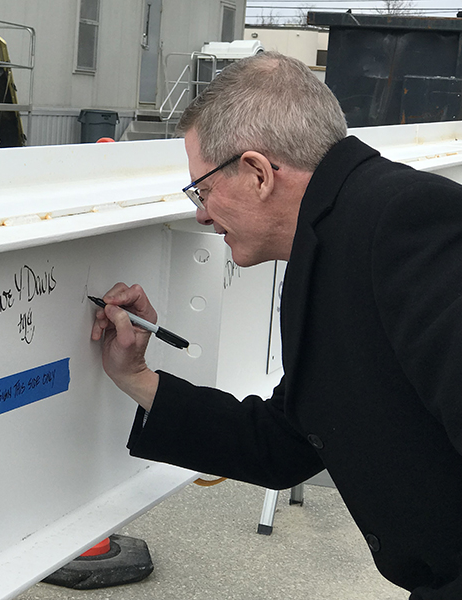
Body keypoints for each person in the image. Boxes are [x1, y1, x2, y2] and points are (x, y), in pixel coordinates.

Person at [91, 51, 462, 599]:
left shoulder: (410, 223)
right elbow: (291, 443)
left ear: (259, 172)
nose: (199, 213)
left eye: (203, 188)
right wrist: (137, 376)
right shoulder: (334, 242)